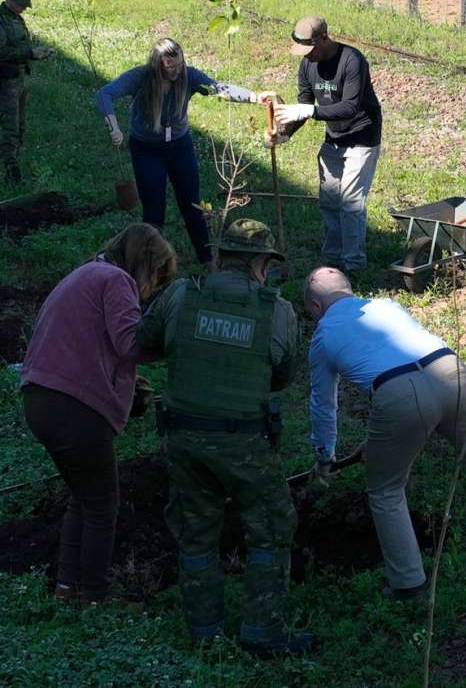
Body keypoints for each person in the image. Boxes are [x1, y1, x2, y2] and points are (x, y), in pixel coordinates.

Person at [302, 267, 466, 601]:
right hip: (451, 373)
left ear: (315, 306)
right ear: (349, 290)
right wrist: (377, 442)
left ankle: (408, 584)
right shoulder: (386, 305)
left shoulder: (323, 335)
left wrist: (324, 456)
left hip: (398, 394)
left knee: (385, 491)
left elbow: (323, 404)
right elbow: (405, 363)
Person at [135, 219, 314, 657]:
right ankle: (262, 631)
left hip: (183, 436)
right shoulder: (277, 310)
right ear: (261, 263)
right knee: (271, 528)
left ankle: (205, 631)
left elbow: (144, 341)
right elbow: (282, 377)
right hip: (243, 442)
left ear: (219, 256)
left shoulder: (181, 294)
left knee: (196, 533)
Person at [20, 224, 178, 604]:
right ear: (145, 264)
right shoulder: (116, 280)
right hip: (73, 407)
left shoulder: (86, 274)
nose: (151, 291)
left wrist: (125, 387)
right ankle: (94, 595)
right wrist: (177, 345)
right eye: (157, 279)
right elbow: (129, 343)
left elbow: (91, 346)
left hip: (41, 399)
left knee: (84, 497)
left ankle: (67, 587)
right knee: (103, 506)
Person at [97, 38, 266, 266]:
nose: (177, 71)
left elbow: (217, 89)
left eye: (179, 64)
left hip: (180, 147)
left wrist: (254, 97)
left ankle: (207, 260)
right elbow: (105, 94)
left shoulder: (189, 76)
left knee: (192, 206)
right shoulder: (141, 77)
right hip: (147, 150)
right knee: (154, 213)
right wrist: (114, 127)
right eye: (170, 66)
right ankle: (152, 266)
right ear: (157, 64)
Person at [273, 17, 383, 274]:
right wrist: (285, 134)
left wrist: (310, 110)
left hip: (362, 136)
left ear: (324, 38)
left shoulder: (352, 60)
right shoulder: (307, 64)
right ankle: (332, 260)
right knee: (330, 201)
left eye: (310, 49)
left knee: (351, 203)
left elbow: (349, 107)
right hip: (334, 137)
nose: (307, 56)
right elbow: (304, 104)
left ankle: (354, 265)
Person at [0, 0, 53, 185]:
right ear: (11, 1)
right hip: (5, 81)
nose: (24, 9)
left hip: (20, 78)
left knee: (21, 125)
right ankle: (11, 173)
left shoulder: (16, 19)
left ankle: (16, 162)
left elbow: (20, 46)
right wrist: (29, 53)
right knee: (10, 128)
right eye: (22, 5)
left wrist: (36, 53)